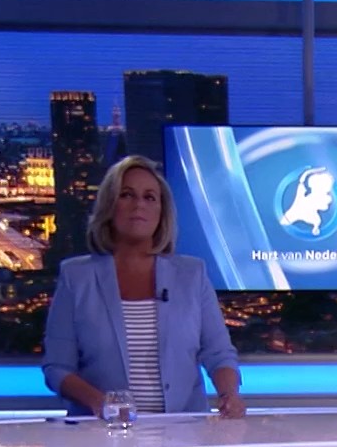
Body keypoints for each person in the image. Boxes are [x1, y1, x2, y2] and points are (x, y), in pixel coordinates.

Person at [42, 155, 246, 419]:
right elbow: (57, 368)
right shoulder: (76, 277)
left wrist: (229, 395)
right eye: (127, 195)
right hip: (103, 433)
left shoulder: (192, 274)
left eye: (150, 197)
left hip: (183, 431)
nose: (139, 204)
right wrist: (102, 404)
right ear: (109, 205)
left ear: (162, 211)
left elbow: (219, 353)